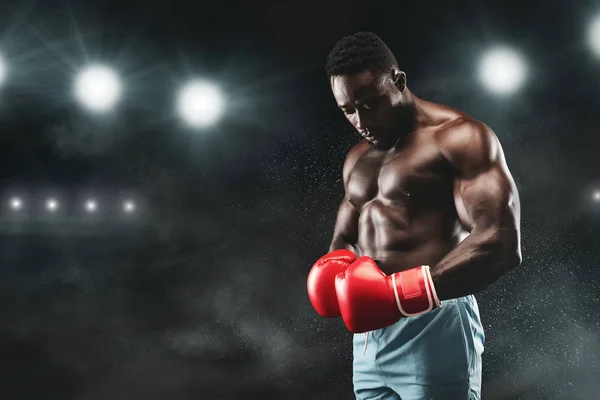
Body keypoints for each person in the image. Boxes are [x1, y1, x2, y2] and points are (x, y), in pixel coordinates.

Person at [307, 32, 522, 400]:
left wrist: (399, 294)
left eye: (371, 103)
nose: (361, 119)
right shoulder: (358, 159)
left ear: (399, 81)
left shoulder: (460, 138)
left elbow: (500, 240)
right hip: (369, 336)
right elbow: (344, 241)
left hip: (433, 325)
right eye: (349, 110)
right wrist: (333, 271)